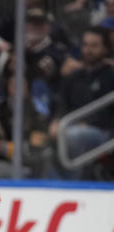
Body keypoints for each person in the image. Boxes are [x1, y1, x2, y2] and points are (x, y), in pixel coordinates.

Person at [50, 25, 114, 179]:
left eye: (94, 46)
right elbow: (62, 104)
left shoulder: (111, 75)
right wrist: (57, 121)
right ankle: (50, 186)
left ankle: (74, 185)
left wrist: (90, 123)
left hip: (104, 132)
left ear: (106, 49)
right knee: (43, 141)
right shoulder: (73, 76)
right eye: (85, 45)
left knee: (74, 136)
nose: (88, 50)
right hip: (71, 125)